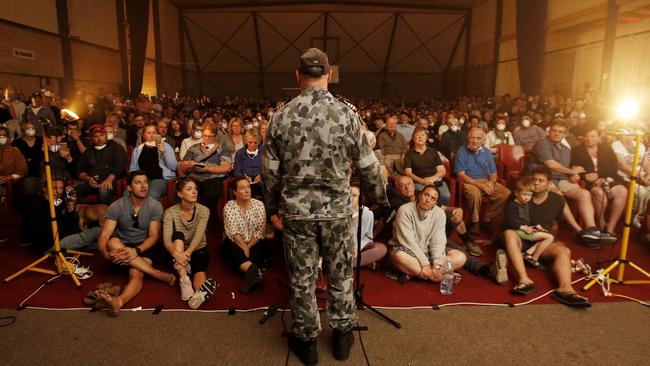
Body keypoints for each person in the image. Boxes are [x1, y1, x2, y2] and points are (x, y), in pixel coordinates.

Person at [262, 48, 387, 365]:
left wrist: (273, 204)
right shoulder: (347, 114)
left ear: (297, 75)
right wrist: (380, 199)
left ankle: (307, 343)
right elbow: (369, 165)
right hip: (337, 214)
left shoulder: (282, 116)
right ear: (329, 74)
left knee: (303, 280)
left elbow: (269, 171)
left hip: (297, 213)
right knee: (340, 274)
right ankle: (343, 338)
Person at [502, 168, 590, 307]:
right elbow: (505, 219)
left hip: (540, 240)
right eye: (534, 180)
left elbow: (555, 224)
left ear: (549, 184)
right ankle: (524, 280)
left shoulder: (557, 200)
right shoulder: (520, 195)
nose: (536, 183)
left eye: (541, 181)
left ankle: (565, 288)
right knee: (508, 233)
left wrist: (553, 240)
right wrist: (493, 239)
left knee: (564, 251)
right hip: (520, 238)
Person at [94, 171, 176, 317]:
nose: (144, 186)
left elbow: (153, 237)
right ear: (129, 188)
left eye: (145, 182)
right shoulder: (117, 206)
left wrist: (136, 251)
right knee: (112, 242)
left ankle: (118, 301)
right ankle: (155, 273)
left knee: (136, 273)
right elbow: (105, 235)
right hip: (122, 247)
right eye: (138, 182)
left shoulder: (155, 206)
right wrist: (106, 254)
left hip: (146, 247)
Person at [526, 119, 615, 245]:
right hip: (539, 178)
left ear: (565, 134)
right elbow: (551, 165)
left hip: (560, 179)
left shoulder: (566, 149)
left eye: (560, 132)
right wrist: (571, 172)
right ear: (549, 131)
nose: (557, 134)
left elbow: (568, 169)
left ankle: (592, 229)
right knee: (558, 195)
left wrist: (574, 175)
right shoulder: (542, 143)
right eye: (554, 130)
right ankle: (579, 231)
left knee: (584, 193)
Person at [388, 185, 467, 283]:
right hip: (407, 249)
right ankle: (442, 277)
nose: (428, 200)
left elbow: (438, 241)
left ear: (435, 203)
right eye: (426, 195)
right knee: (398, 256)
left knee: (460, 257)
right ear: (420, 195)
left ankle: (417, 273)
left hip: (428, 251)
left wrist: (437, 265)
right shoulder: (404, 210)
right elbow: (408, 242)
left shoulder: (440, 214)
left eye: (433, 198)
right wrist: (425, 264)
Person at [162, 177, 215, 309]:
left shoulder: (204, 210)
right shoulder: (170, 212)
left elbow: (198, 236)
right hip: (177, 250)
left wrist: (187, 254)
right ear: (180, 194)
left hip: (197, 249)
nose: (194, 192)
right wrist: (177, 254)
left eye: (195, 189)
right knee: (178, 234)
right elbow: (167, 240)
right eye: (189, 189)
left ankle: (198, 294)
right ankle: (184, 279)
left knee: (200, 269)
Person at [571, 127, 627, 236]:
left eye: (593, 136)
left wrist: (601, 176)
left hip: (607, 178)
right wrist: (585, 176)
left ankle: (611, 226)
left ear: (599, 138)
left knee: (622, 191)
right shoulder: (577, 150)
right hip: (588, 181)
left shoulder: (607, 149)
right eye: (587, 136)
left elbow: (613, 168)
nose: (589, 139)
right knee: (599, 194)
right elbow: (573, 167)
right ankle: (601, 223)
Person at [454, 127, 511, 235]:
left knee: (506, 193)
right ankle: (475, 222)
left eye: (478, 138)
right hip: (469, 181)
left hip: (486, 181)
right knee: (475, 194)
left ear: (483, 140)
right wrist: (480, 186)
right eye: (472, 138)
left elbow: (493, 173)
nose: (475, 141)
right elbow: (460, 175)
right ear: (468, 138)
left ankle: (487, 217)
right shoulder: (461, 151)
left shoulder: (487, 152)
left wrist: (492, 182)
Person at [221, 177, 267, 293]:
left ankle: (251, 271)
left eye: (248, 187)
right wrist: (244, 246)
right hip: (237, 241)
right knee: (229, 247)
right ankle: (255, 272)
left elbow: (260, 231)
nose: (247, 190)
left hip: (254, 241)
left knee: (257, 250)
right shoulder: (229, 207)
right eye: (242, 188)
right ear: (235, 192)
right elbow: (233, 232)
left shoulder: (259, 205)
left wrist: (248, 246)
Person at [179, 121, 232, 218]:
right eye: (205, 135)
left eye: (210, 136)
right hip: (194, 177)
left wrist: (208, 169)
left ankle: (205, 217)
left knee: (210, 193)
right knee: (186, 189)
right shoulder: (193, 148)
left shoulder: (222, 149)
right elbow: (182, 166)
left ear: (215, 136)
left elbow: (226, 167)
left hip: (214, 178)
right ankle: (189, 217)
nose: (207, 138)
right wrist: (188, 164)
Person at [504, 179, 555, 271]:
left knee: (545, 237)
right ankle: (534, 258)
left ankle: (527, 254)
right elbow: (510, 222)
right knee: (549, 237)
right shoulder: (512, 206)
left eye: (529, 195)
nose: (527, 198)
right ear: (516, 193)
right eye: (524, 195)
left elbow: (531, 218)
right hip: (517, 231)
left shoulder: (527, 204)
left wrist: (538, 226)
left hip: (526, 229)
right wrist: (525, 228)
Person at [75, 124, 127, 204]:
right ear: (91, 139)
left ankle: (105, 215)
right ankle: (84, 213)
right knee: (72, 190)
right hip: (92, 182)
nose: (99, 138)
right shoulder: (88, 151)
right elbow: (80, 170)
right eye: (96, 136)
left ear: (106, 135)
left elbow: (119, 167)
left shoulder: (117, 147)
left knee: (103, 191)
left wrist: (109, 179)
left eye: (102, 135)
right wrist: (89, 179)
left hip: (111, 181)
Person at [611, 129, 650, 228]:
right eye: (626, 133)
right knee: (641, 192)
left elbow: (646, 164)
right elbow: (621, 165)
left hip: (641, 176)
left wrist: (648, 175)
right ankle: (636, 215)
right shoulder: (616, 144)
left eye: (632, 132)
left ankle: (646, 221)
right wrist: (638, 175)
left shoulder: (640, 145)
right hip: (625, 177)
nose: (629, 135)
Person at [129, 123, 178, 200]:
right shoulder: (137, 150)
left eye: (154, 132)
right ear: (143, 135)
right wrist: (134, 182)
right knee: (127, 195)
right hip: (142, 179)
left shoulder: (166, 146)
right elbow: (133, 169)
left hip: (160, 179)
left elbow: (174, 167)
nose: (151, 135)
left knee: (151, 196)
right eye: (148, 133)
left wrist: (164, 152)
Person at [403, 127, 451, 204]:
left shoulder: (433, 152)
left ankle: (440, 215)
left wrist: (432, 178)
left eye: (422, 135)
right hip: (419, 182)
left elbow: (442, 170)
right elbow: (408, 173)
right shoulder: (409, 153)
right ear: (413, 138)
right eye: (417, 135)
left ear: (426, 138)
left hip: (435, 181)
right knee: (425, 197)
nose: (420, 137)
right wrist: (422, 181)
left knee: (445, 196)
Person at [350, 185, 387, 269]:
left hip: (358, 247)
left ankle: (348, 264)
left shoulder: (367, 213)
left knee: (381, 249)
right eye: (348, 195)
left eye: (354, 195)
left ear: (360, 198)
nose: (350, 198)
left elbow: (368, 238)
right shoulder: (337, 213)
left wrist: (355, 249)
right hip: (340, 248)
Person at [12, 120, 43, 195]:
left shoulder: (41, 141)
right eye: (28, 128)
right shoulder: (17, 143)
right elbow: (24, 164)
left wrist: (31, 160)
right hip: (26, 176)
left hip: (42, 173)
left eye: (32, 128)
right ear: (23, 130)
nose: (30, 130)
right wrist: (41, 152)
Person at [233, 129, 263, 198]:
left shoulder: (264, 151)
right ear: (246, 141)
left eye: (255, 143)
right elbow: (236, 171)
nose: (252, 145)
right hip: (245, 179)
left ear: (259, 142)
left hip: (261, 179)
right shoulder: (240, 153)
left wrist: (262, 175)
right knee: (248, 188)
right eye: (250, 142)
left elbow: (268, 168)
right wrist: (244, 178)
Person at [0, 126, 28, 199]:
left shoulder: (15, 151)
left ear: (8, 137)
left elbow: (23, 170)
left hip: (11, 182)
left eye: (4, 135)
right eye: (0, 136)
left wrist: (9, 177)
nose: (2, 137)